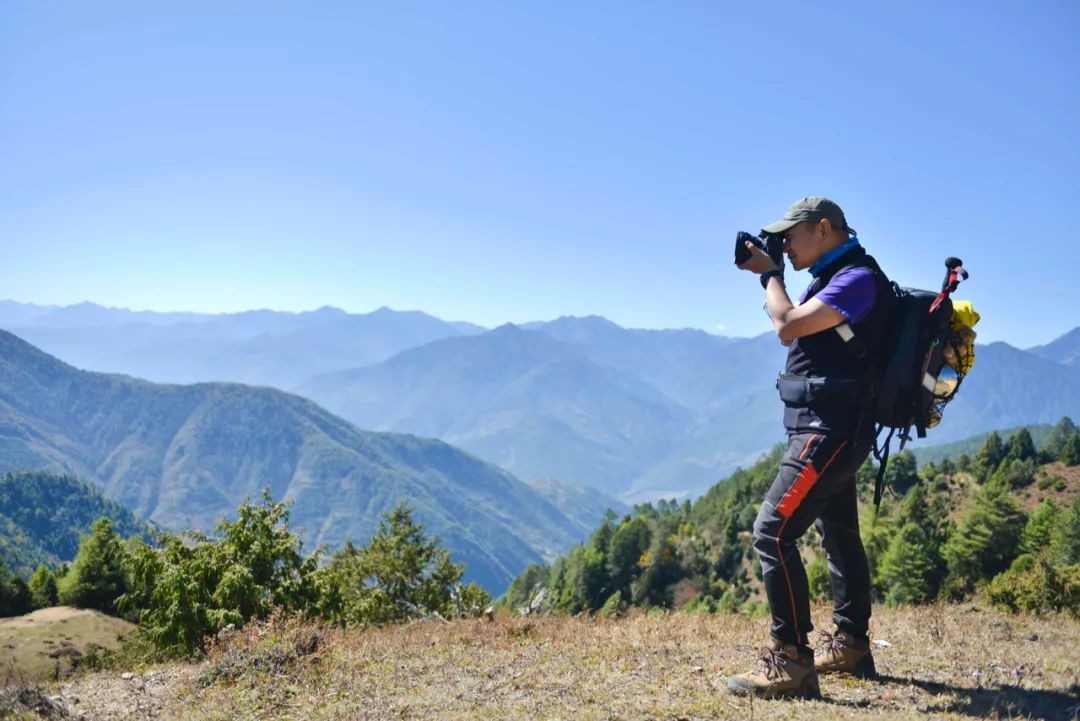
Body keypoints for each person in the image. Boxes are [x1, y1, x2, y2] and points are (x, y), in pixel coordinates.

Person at [726, 196, 889, 699]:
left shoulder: (857, 279)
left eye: (790, 236)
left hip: (830, 431)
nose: (785, 246)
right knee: (838, 532)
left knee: (772, 533)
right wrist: (777, 270)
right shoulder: (836, 275)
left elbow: (788, 325)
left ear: (823, 229)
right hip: (827, 427)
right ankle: (852, 644)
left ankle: (793, 660)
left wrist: (769, 274)